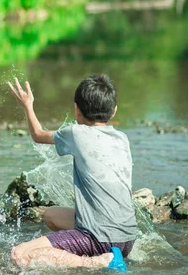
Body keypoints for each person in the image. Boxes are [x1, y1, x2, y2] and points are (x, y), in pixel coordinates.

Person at [7, 75, 137, 271]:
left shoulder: (76, 132)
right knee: (50, 215)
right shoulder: (122, 138)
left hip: (99, 237)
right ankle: (110, 254)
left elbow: (38, 135)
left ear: (77, 110)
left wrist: (28, 105)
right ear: (114, 110)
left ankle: (96, 261)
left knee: (19, 255)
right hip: (128, 239)